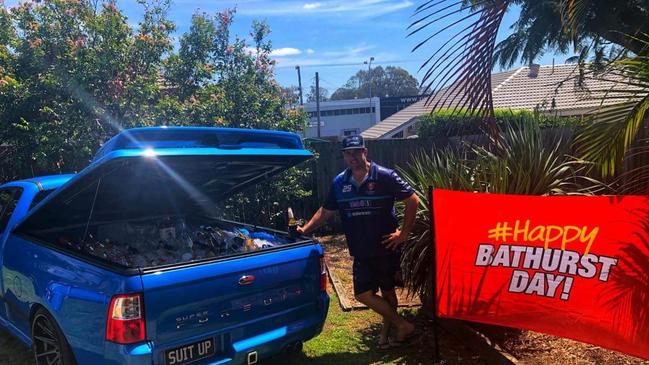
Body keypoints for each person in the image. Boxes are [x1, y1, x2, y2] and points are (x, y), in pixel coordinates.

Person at [298, 135, 420, 349]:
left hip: (386, 247)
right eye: (348, 153)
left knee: (388, 291)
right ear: (344, 155)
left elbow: (412, 199)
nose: (352, 156)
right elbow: (325, 211)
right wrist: (304, 230)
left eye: (356, 151)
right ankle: (402, 325)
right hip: (361, 249)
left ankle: (386, 336)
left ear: (365, 151)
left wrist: (403, 234)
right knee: (363, 294)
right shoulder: (340, 182)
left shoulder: (384, 176)